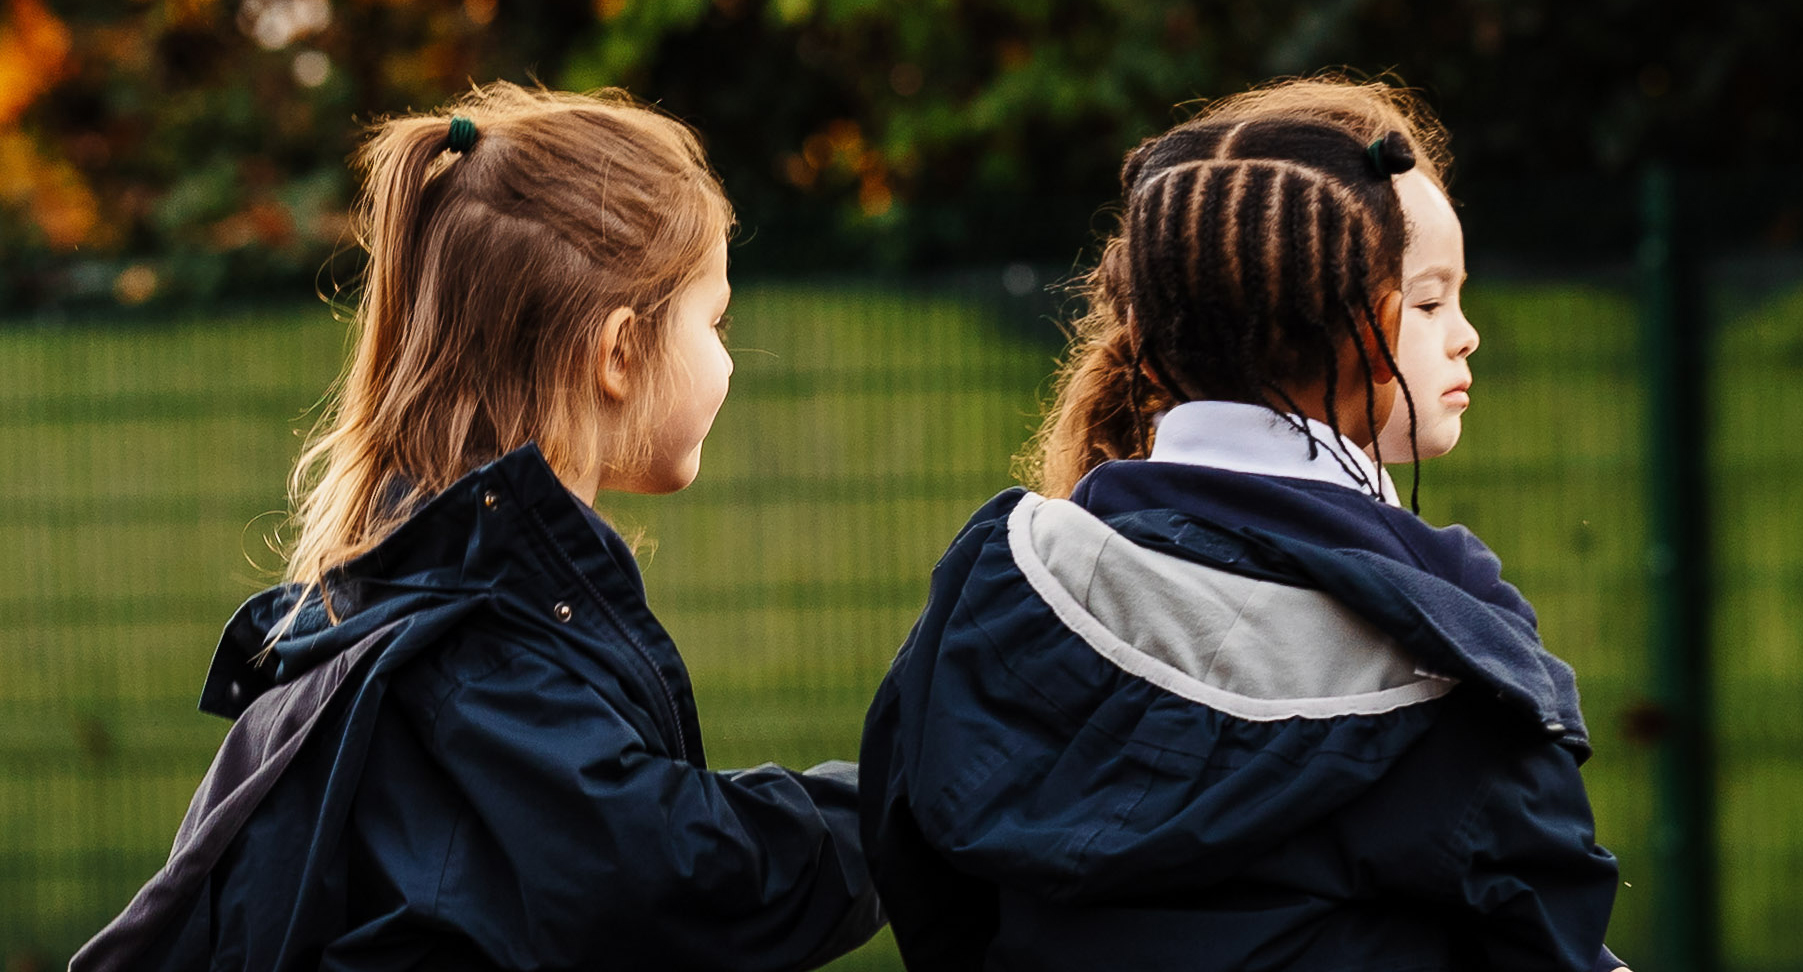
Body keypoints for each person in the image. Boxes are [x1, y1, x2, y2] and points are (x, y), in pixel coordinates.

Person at [75, 85, 878, 972]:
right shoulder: (480, 649)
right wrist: (892, 810)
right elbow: (671, 877)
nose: (728, 355)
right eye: (713, 320)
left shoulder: (447, 600)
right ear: (617, 352)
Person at [859, 78, 1624, 971]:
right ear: (1367, 328)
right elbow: (1548, 930)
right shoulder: (1443, 657)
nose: (1465, 334)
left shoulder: (997, 584)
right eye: (1429, 300)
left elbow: (918, 869)